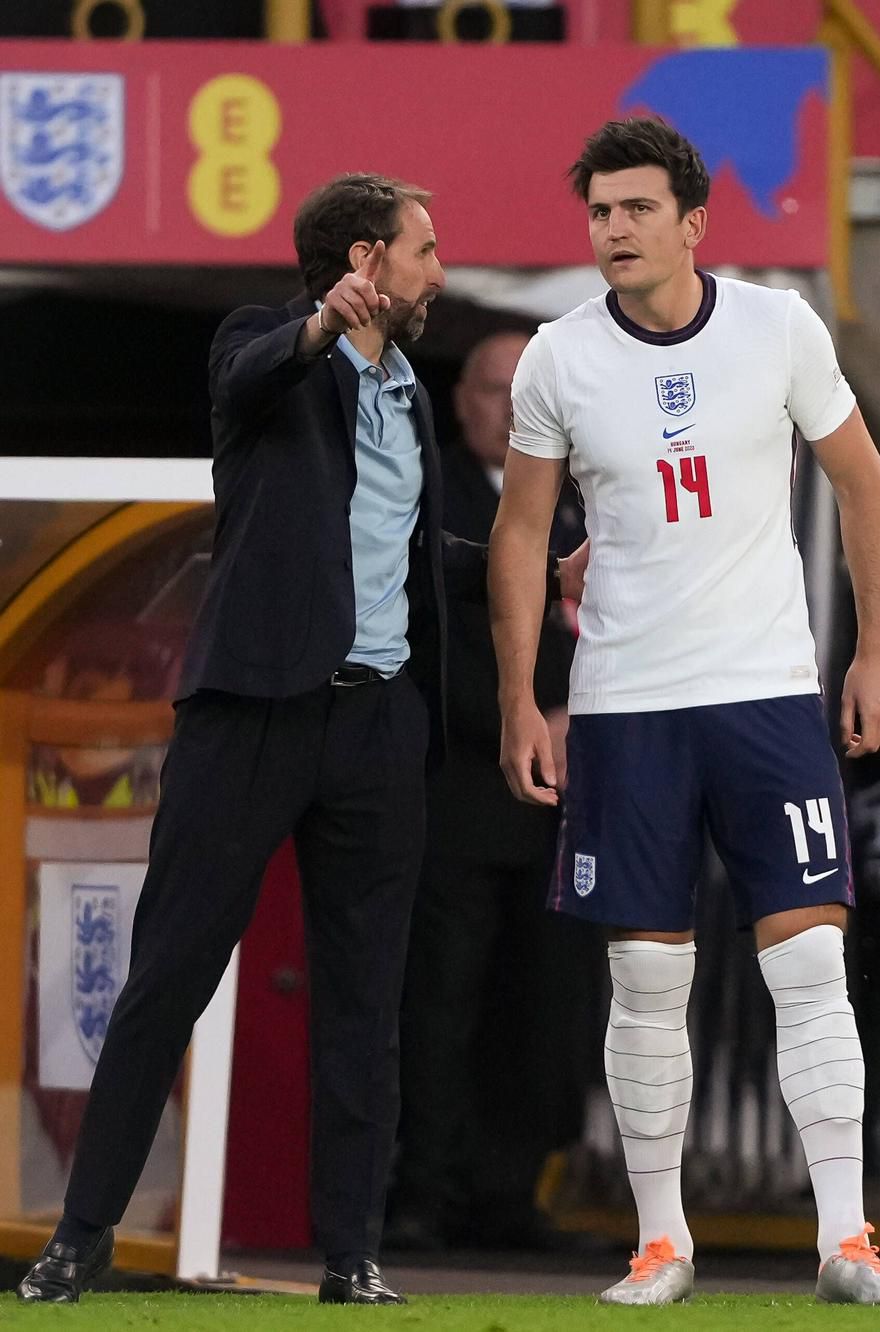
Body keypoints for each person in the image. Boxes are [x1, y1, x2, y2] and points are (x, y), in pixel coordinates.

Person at [18, 172, 580, 1306]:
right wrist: (325, 322)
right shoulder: (265, 344)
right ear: (368, 259)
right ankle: (77, 1239)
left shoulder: (414, 388)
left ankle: (350, 1256)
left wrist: (526, 569)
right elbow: (251, 379)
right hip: (255, 714)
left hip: (378, 725)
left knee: (367, 1001)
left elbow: (412, 552)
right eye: (424, 250)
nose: (439, 269)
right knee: (169, 976)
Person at [488, 117, 880, 1306]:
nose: (612, 231)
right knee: (644, 977)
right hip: (626, 702)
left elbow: (864, 484)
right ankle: (662, 1241)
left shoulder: (780, 327)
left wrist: (873, 653)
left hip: (767, 693)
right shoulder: (556, 357)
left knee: (811, 962)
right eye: (598, 213)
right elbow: (523, 533)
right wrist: (522, 698)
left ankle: (844, 1241)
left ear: (692, 223)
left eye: (635, 210)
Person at [391, 332, 594, 1249]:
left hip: (562, 808)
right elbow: (420, 647)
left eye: (528, 393)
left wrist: (576, 717)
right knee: (440, 1006)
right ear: (461, 401)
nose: (511, 409)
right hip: (459, 798)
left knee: (544, 1011)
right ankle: (421, 1198)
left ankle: (511, 1198)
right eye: (494, 390)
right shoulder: (426, 493)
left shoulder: (582, 497)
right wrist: (526, 718)